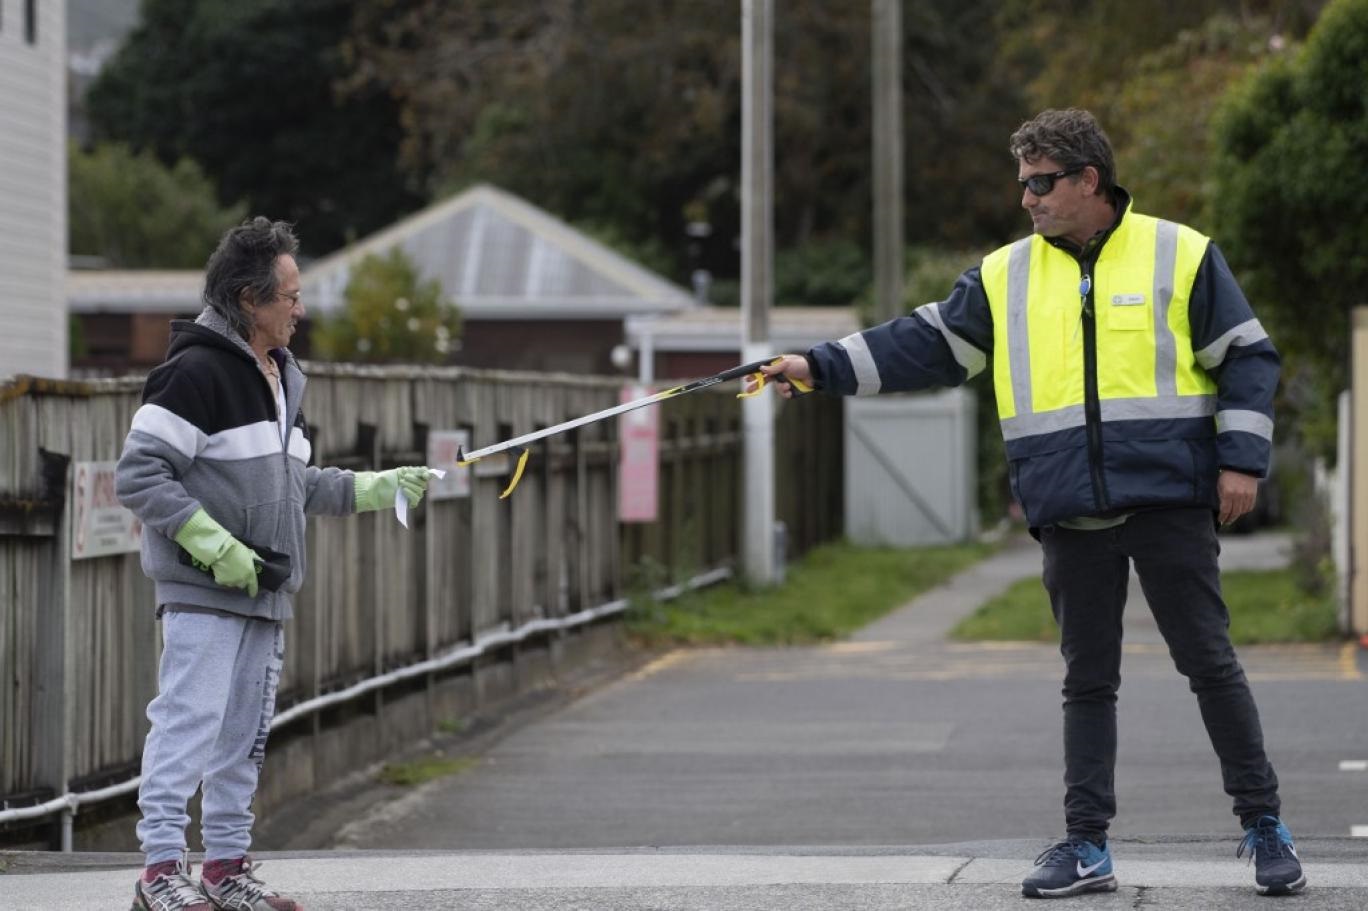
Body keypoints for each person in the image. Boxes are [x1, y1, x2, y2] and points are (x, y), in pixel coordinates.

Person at [756, 109, 1304, 898]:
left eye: (1041, 183)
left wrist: (1241, 461)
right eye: (1021, 184)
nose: (1028, 200)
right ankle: (1087, 846)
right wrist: (816, 364)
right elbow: (926, 343)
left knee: (1210, 666)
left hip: (1170, 501)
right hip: (1067, 509)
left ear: (1090, 180)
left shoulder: (1180, 254)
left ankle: (1264, 826)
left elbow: (1249, 358)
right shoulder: (1006, 273)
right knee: (1087, 682)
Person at [116, 217, 432, 911]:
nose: (301, 309)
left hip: (267, 589)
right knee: (187, 724)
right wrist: (214, 546)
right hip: (203, 592)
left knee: (242, 739)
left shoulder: (284, 379)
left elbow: (298, 485)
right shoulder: (193, 372)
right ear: (248, 299)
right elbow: (139, 474)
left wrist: (379, 487)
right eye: (288, 295)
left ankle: (225, 869)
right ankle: (159, 871)